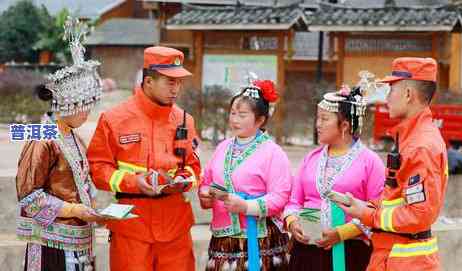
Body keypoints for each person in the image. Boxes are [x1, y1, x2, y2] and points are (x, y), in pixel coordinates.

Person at [86, 46, 201, 271]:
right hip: (132, 228)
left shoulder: (185, 121)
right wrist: (134, 182)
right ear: (148, 81)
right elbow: (98, 168)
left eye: (179, 82)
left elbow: (194, 167)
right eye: (170, 82)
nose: (176, 89)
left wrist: (182, 181)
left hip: (176, 229)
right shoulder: (113, 119)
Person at [339, 57, 448, 271]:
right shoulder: (412, 139)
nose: (386, 98)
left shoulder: (420, 146)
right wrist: (366, 207)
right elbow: (396, 198)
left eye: (391, 90)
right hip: (397, 258)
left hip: (404, 261)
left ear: (408, 95)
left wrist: (367, 213)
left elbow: (419, 214)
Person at [16, 17, 104, 271]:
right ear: (67, 105)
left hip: (79, 239)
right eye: (84, 108)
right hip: (51, 243)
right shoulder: (42, 138)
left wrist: (95, 210)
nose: (88, 115)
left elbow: (82, 183)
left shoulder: (74, 136)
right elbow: (29, 198)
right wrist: (75, 209)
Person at [283, 85, 385, 271]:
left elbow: (376, 209)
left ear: (344, 125)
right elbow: (294, 201)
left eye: (324, 119)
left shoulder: (370, 162)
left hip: (349, 250)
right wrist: (292, 222)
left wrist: (341, 233)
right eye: (317, 118)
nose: (318, 124)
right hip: (306, 249)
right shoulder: (311, 158)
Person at [198, 79, 292, 271]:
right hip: (223, 238)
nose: (234, 120)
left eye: (242, 115)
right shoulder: (223, 147)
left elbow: (281, 196)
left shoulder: (273, 153)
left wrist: (247, 206)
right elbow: (206, 180)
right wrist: (205, 194)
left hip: (259, 238)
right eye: (232, 113)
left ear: (260, 120)